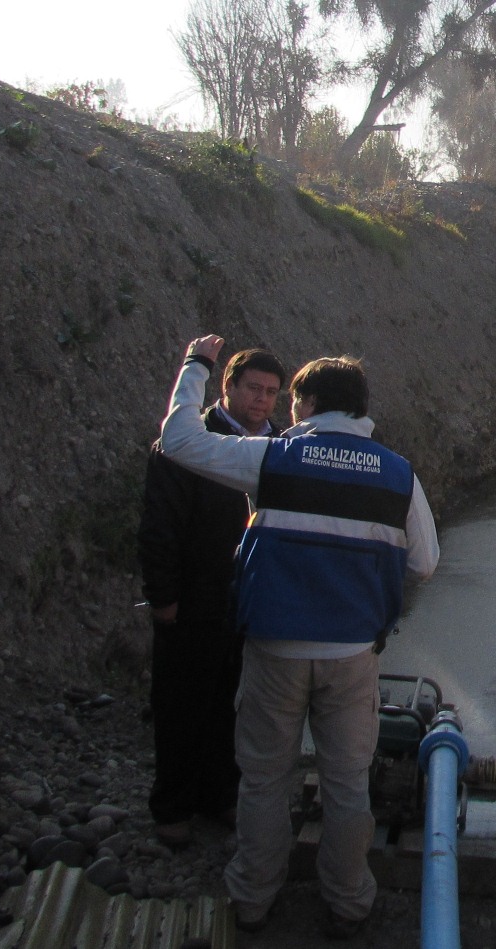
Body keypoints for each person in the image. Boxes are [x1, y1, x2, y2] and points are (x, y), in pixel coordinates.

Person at [157, 334, 440, 939]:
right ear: (361, 410)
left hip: (274, 651)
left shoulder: (270, 459)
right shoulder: (399, 476)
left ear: (307, 406)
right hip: (352, 654)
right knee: (346, 782)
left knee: (263, 778)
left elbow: (177, 442)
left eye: (292, 402)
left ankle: (253, 897)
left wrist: (195, 368)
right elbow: (425, 563)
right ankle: (347, 900)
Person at [138, 347, 287, 849]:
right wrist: (163, 596)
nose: (262, 400)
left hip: (244, 605)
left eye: (271, 392)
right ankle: (174, 807)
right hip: (192, 597)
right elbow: (159, 524)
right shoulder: (193, 444)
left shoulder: (279, 450)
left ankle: (220, 794)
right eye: (253, 388)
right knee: (180, 703)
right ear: (228, 387)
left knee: (232, 704)